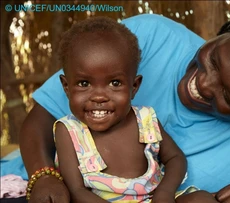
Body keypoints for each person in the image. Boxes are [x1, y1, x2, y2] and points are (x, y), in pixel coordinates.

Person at [20, 2, 230, 203]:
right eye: (215, 59)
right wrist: (43, 175)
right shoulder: (151, 38)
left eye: (228, 97)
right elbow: (41, 117)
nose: (202, 84)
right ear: (224, 33)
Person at [28, 16, 217, 203]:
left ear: (134, 87)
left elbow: (176, 158)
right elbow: (77, 191)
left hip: (155, 199)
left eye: (115, 83)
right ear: (66, 87)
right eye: (84, 83)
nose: (99, 96)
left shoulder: (145, 120)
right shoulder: (69, 131)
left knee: (202, 199)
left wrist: (165, 192)